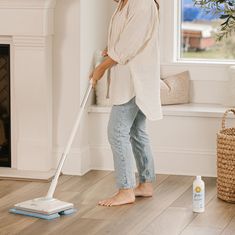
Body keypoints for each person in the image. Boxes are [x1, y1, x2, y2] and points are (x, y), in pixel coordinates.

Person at [89, 0, 162, 206]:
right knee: (137, 132)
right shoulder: (124, 3)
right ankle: (146, 185)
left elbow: (128, 45)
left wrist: (101, 68)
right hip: (129, 78)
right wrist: (108, 50)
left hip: (134, 79)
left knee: (117, 132)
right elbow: (121, 40)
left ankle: (125, 189)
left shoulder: (142, 4)